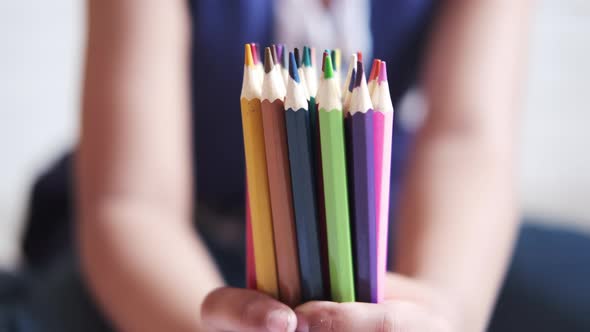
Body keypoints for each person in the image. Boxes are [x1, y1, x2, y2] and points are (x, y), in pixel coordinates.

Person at [15, 0, 589, 331]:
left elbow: (468, 141)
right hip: (176, 253)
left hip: (381, 239)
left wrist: (447, 307)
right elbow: (129, 204)